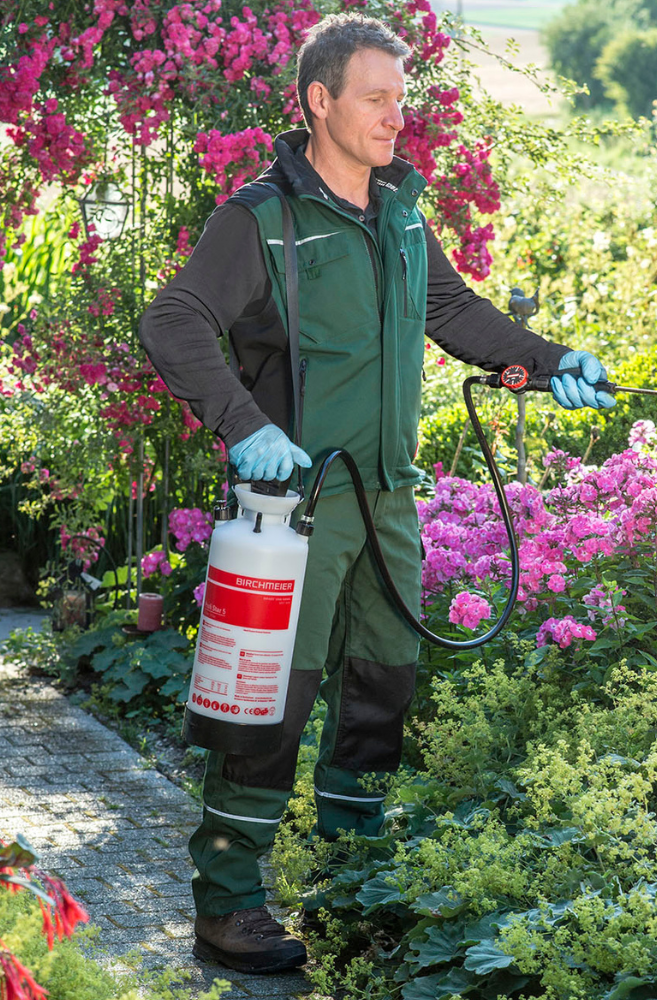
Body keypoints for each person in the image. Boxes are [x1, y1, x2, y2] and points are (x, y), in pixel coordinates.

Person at [139, 11, 614, 975]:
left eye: (402, 98)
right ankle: (228, 905)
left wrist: (551, 358)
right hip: (295, 514)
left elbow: (450, 309)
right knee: (269, 705)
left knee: (380, 691)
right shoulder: (261, 219)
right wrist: (250, 428)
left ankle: (354, 877)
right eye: (376, 98)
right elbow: (174, 319)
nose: (397, 117)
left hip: (389, 501)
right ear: (319, 100)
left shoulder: (400, 210)